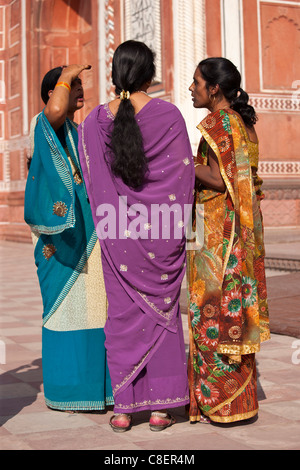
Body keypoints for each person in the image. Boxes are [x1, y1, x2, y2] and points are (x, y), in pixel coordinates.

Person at [78, 40, 195, 432]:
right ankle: (162, 410)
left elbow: (93, 181)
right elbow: (182, 177)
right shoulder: (169, 115)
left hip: (117, 239)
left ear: (114, 75)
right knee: (161, 315)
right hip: (161, 238)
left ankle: (124, 409)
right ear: (150, 73)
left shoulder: (94, 121)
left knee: (124, 317)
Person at [24, 65, 113, 412]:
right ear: (53, 93)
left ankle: (97, 388)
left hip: (90, 238)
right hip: (59, 245)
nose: (80, 89)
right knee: (65, 311)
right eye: (72, 84)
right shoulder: (43, 125)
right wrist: (67, 72)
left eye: (79, 83)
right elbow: (56, 111)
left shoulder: (79, 132)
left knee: (94, 312)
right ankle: (68, 390)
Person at [186, 57, 270, 424]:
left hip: (220, 234)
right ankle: (238, 403)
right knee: (231, 314)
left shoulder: (221, 122)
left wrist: (183, 164)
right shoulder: (243, 123)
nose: (192, 88)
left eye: (196, 82)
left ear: (214, 88)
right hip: (239, 232)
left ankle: (218, 403)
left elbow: (221, 180)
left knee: (212, 314)